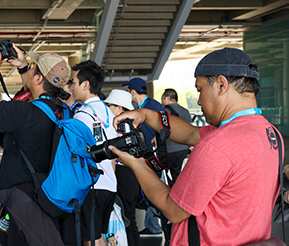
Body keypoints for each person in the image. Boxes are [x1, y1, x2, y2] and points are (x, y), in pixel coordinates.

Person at [110, 47, 282, 245]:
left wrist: (136, 164)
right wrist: (147, 115)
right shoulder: (268, 133)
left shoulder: (217, 145)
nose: (199, 100)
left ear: (221, 84)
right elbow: (191, 133)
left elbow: (172, 209)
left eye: (200, 89)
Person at [0, 44, 73, 245]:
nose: (29, 68)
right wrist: (25, 67)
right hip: (53, 196)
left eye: (34, 67)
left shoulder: (23, 113)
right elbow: (38, 92)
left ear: (39, 78)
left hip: (24, 200)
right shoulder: (64, 110)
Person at [71, 60, 118, 246]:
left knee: (89, 240)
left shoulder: (82, 115)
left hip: (91, 187)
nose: (71, 87)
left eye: (73, 82)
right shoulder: (108, 112)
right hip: (109, 184)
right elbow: (113, 154)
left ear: (85, 84)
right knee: (98, 237)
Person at [123, 77, 165, 235]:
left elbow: (165, 127)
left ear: (133, 92)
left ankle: (157, 226)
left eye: (129, 91)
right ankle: (153, 225)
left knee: (153, 190)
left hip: (153, 157)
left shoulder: (151, 107)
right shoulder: (146, 106)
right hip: (147, 157)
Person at [104, 89, 141, 246]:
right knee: (129, 219)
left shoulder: (115, 128)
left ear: (119, 108)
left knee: (125, 218)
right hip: (132, 176)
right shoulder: (131, 128)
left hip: (122, 176)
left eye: (109, 105)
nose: (107, 108)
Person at [161, 88, 192, 187]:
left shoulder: (165, 111)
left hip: (169, 150)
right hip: (183, 149)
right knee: (176, 173)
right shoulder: (185, 111)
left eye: (162, 98)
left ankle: (170, 191)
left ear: (167, 98)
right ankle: (178, 191)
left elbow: (161, 130)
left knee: (163, 174)